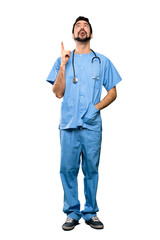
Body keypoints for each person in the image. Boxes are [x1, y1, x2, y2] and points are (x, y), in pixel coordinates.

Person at [46, 16, 122, 231]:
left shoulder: (102, 61)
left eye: (85, 26)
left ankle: (90, 212)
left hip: (91, 126)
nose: (82, 28)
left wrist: (94, 109)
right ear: (73, 34)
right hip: (68, 125)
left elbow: (113, 92)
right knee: (67, 170)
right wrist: (62, 65)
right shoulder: (63, 59)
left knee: (91, 170)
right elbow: (58, 93)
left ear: (91, 33)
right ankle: (72, 213)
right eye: (78, 26)